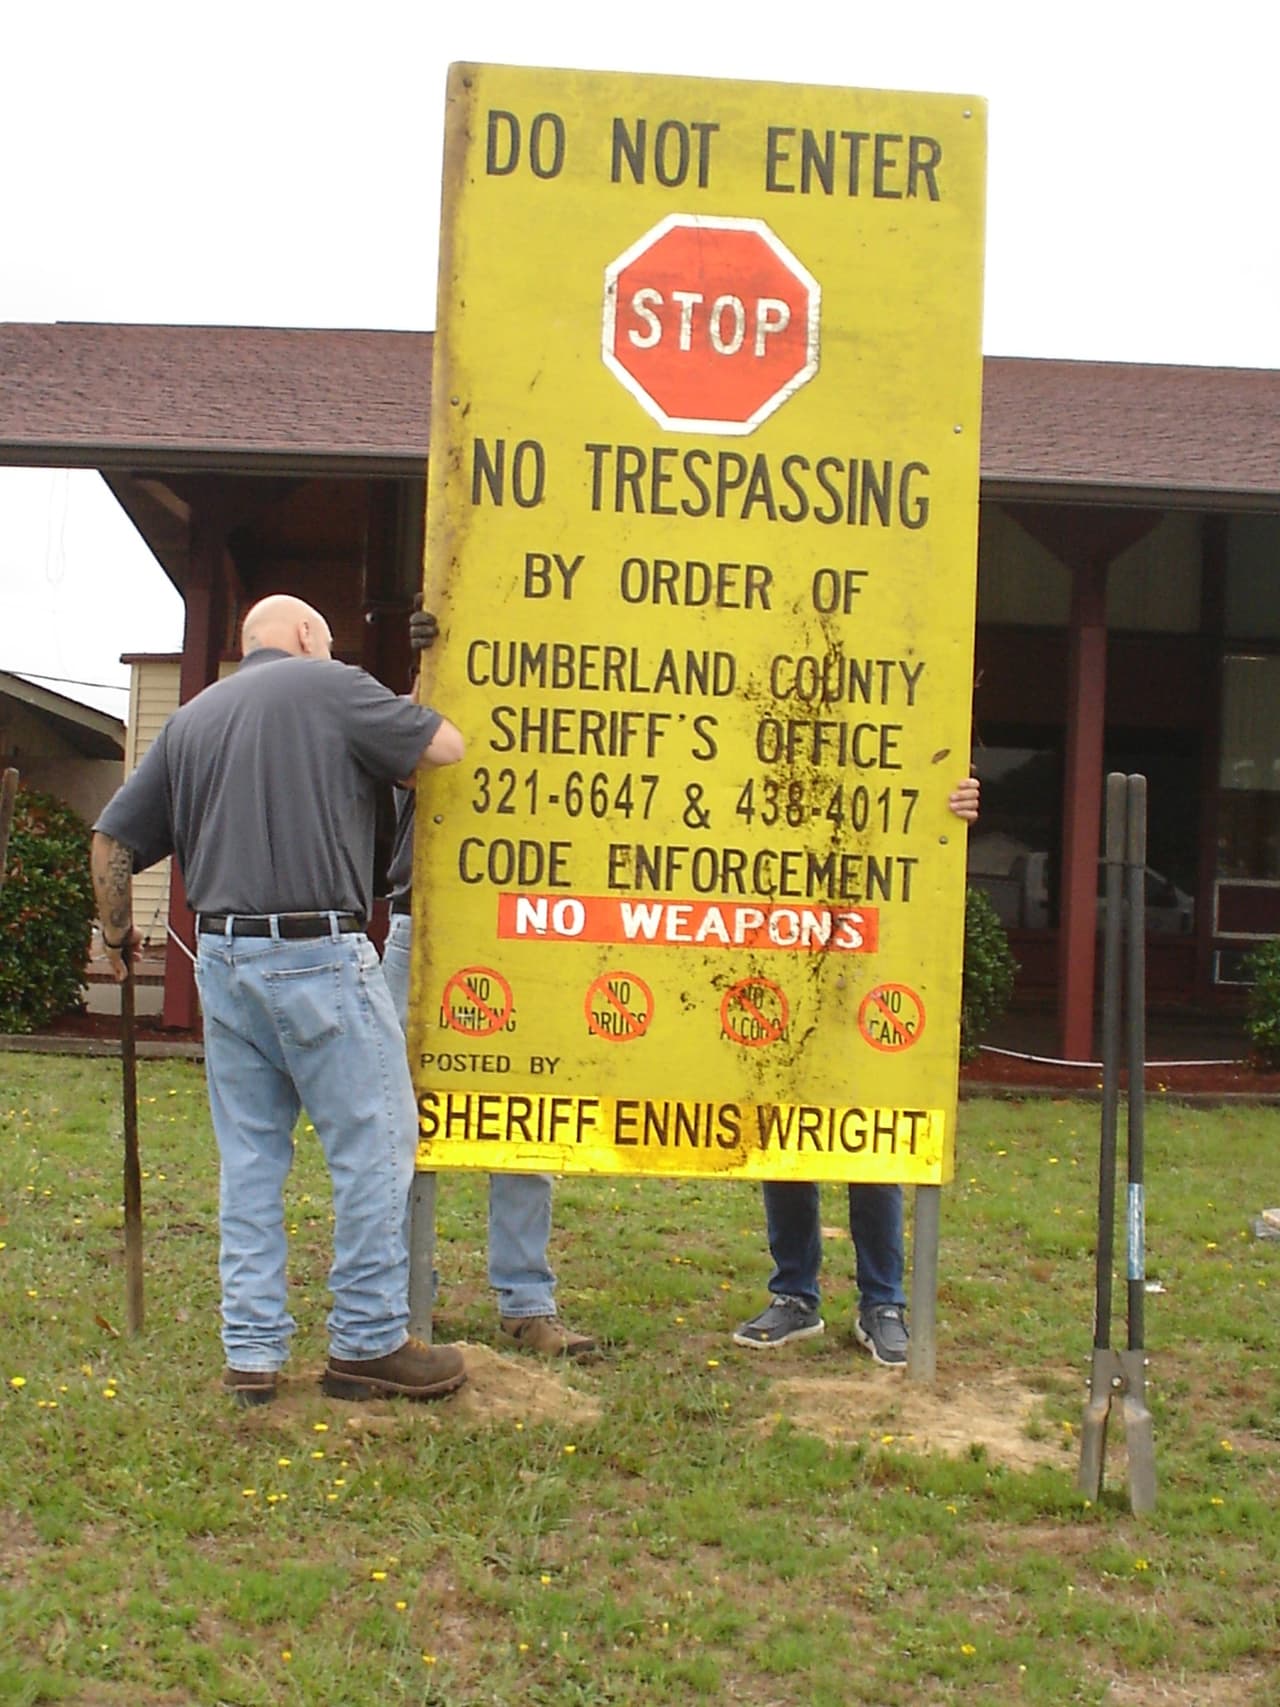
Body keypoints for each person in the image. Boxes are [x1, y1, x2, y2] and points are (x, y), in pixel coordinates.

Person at [91, 593, 468, 1407]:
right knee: (376, 1146)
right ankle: (368, 1341)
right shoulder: (332, 685)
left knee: (253, 1161)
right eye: (326, 640)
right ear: (304, 635)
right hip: (318, 956)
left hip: (222, 961)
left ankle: (252, 1355)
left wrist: (117, 941)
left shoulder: (193, 719)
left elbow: (113, 841)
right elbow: (443, 744)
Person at [379, 608, 597, 1359]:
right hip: (424, 925)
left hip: (527, 933)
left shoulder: (570, 729)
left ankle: (526, 1301)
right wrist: (431, 670)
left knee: (527, 1111)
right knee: (398, 1120)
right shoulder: (431, 716)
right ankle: (403, 1304)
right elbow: (401, 751)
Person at [733, 776, 981, 1367]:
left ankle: (883, 1303)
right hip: (784, 948)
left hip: (878, 954)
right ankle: (794, 1293)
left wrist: (953, 808)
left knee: (876, 1130)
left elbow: (930, 819)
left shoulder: (900, 735)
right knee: (787, 1127)